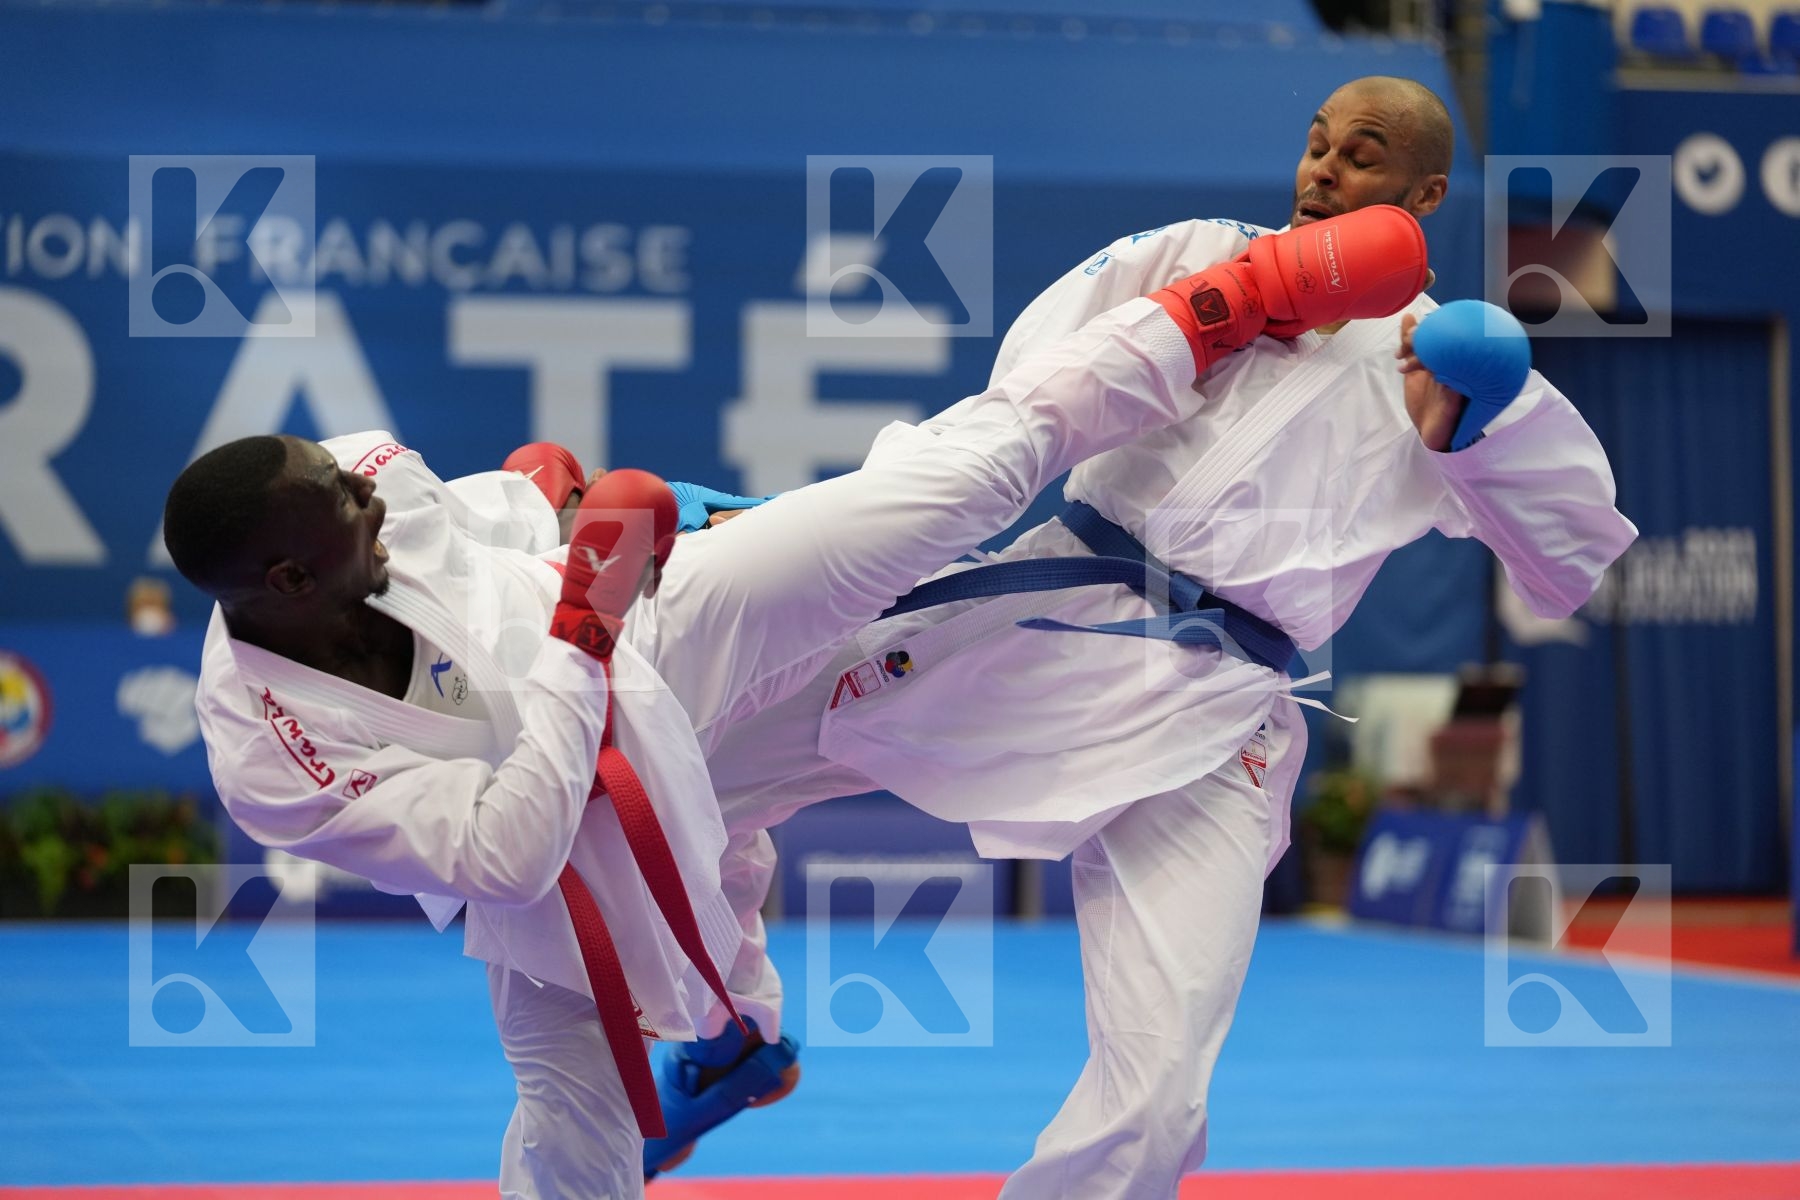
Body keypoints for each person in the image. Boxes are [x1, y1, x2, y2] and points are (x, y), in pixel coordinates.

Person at [169, 204, 1425, 1200]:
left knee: (949, 480)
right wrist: (576, 636)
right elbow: (505, 853)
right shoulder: (273, 756)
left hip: (664, 629)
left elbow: (489, 522)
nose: (369, 498)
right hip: (570, 849)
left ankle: (1230, 305)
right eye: (346, 517)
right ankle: (734, 1043)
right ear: (290, 580)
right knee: (573, 1135)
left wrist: (551, 505)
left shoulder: (365, 476)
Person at [688, 75, 1638, 1198]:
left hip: (1219, 716)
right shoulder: (1202, 251)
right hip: (1043, 615)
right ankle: (728, 1031)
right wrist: (1231, 314)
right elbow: (1031, 395)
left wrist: (1472, 433)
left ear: (1427, 193)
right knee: (688, 766)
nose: (1324, 170)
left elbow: (1574, 551)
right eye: (1318, 144)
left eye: (1363, 155)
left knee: (1160, 1085)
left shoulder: (1443, 353)